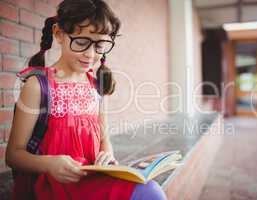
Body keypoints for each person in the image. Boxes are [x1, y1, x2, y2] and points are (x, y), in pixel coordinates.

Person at [5, 0, 167, 199]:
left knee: (150, 190)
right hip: (55, 186)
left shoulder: (95, 86)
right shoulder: (38, 86)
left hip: (93, 180)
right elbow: (13, 155)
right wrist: (49, 163)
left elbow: (104, 138)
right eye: (81, 42)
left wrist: (107, 155)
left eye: (100, 45)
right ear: (59, 34)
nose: (90, 54)